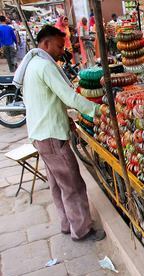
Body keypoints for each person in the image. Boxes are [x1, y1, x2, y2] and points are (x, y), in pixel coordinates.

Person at [13, 25, 105, 242]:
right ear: (46, 44)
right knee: (73, 184)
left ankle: (67, 223)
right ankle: (82, 230)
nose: (61, 50)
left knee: (57, 184)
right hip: (51, 136)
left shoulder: (32, 65)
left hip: (39, 134)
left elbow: (46, 100)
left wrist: (68, 119)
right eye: (59, 45)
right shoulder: (45, 66)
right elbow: (69, 97)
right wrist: (98, 110)